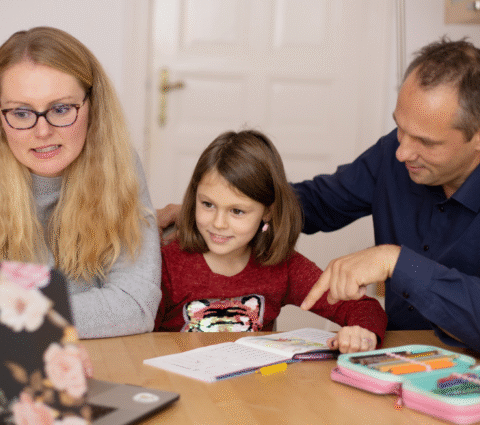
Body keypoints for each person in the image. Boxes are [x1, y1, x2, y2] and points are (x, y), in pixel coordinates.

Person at [159, 38, 480, 363]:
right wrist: (236, 206)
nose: (402, 153)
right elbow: (316, 202)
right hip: (396, 361)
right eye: (400, 128)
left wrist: (399, 262)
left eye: (425, 142)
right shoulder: (396, 155)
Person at [0, 26, 161, 338]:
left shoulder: (120, 166)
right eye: (22, 113)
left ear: (93, 106)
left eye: (62, 108)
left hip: (98, 358)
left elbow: (135, 305)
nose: (42, 132)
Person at [155, 130, 387, 353]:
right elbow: (138, 338)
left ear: (267, 212)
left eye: (237, 211)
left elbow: (364, 307)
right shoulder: (167, 265)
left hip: (254, 390)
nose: (218, 223)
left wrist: (361, 334)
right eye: (208, 204)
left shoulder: (283, 267)